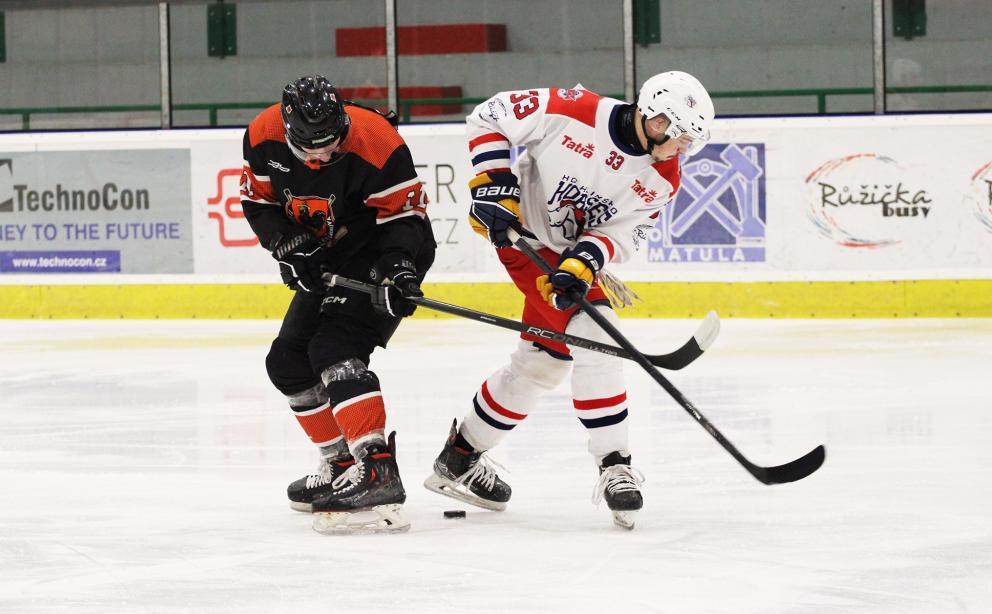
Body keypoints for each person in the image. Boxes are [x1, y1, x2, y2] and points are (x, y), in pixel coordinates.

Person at [423, 71, 714, 529]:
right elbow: (491, 115)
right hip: (525, 240)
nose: (682, 149)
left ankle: (459, 457)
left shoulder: (664, 176)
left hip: (569, 256)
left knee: (542, 363)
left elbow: (624, 232)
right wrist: (494, 181)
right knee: (598, 337)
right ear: (656, 121)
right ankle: (615, 465)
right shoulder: (574, 110)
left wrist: (585, 259)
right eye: (680, 137)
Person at [239, 75, 436, 534]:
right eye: (312, 150)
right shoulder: (262, 135)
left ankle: (377, 470)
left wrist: (398, 268)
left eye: (331, 146)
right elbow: (257, 201)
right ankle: (341, 463)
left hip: (381, 249)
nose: (323, 157)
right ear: (289, 131)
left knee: (334, 349)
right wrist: (288, 245)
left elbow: (404, 215)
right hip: (325, 253)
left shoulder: (377, 140)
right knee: (288, 363)